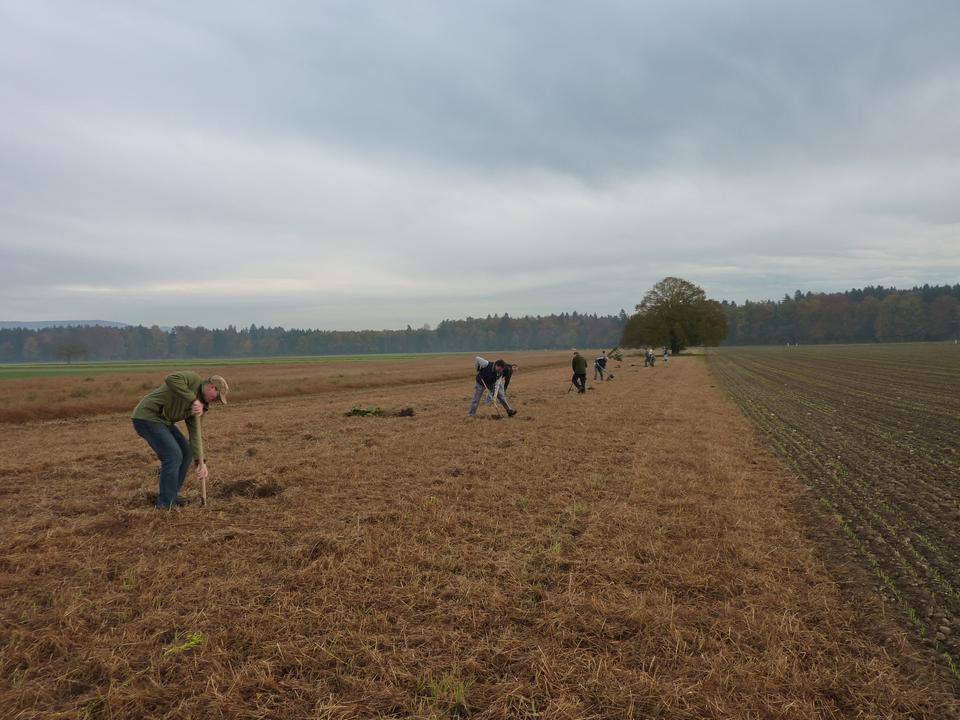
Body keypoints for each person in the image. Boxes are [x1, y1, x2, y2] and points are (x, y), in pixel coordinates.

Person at [132, 372, 228, 509]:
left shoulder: (201, 407)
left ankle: (171, 495)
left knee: (187, 451)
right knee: (173, 455)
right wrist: (193, 400)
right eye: (217, 397)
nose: (217, 400)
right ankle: (165, 504)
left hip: (164, 422)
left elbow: (195, 434)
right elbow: (171, 379)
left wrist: (200, 462)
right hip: (147, 417)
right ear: (212, 387)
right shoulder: (193, 380)